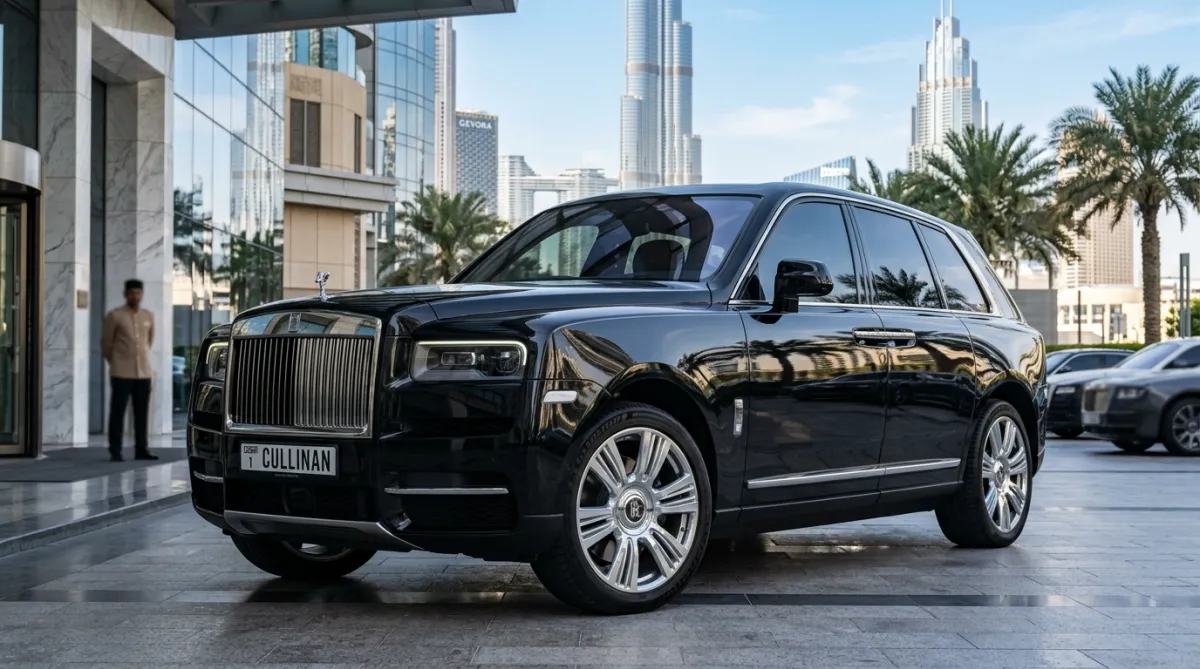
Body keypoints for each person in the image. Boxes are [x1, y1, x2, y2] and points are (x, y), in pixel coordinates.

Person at [100, 279, 159, 462]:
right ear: (125, 294)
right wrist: (115, 360)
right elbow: (106, 343)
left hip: (143, 373)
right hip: (121, 372)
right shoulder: (115, 316)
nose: (136, 296)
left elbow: (149, 341)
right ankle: (115, 450)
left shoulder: (148, 316)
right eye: (132, 293)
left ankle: (141, 448)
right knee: (118, 412)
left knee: (141, 413)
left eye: (138, 293)